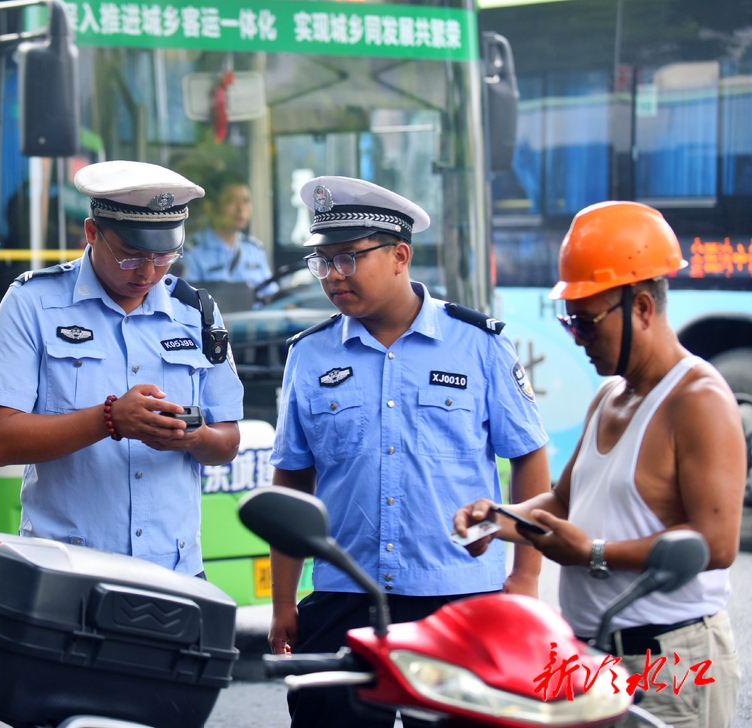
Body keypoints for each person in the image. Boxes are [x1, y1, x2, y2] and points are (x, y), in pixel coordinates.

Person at [268, 176, 551, 728]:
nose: (332, 276)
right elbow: (292, 485)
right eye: (321, 261)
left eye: (348, 258)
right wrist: (284, 601)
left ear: (400, 255)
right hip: (343, 597)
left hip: (461, 594)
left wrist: (525, 577)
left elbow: (529, 458)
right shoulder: (309, 355)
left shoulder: (479, 345)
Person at [454, 201, 744, 728]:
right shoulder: (610, 394)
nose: (578, 339)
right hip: (594, 654)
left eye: (586, 324)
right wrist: (500, 519)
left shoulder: (699, 399)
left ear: (643, 309)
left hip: (669, 662)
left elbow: (717, 544)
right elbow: (566, 503)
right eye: (571, 324)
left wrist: (593, 554)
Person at [0, 160, 244, 576]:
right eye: (131, 255)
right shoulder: (33, 304)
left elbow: (227, 441)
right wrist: (110, 419)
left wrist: (192, 436)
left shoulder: (197, 313)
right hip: (68, 576)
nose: (148, 272)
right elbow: (1, 442)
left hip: (175, 573)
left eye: (164, 256)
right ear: (92, 232)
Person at [181, 173, 276, 297]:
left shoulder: (254, 250)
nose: (241, 209)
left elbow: (271, 295)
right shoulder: (190, 253)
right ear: (210, 207)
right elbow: (187, 301)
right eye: (231, 201)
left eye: (246, 201)